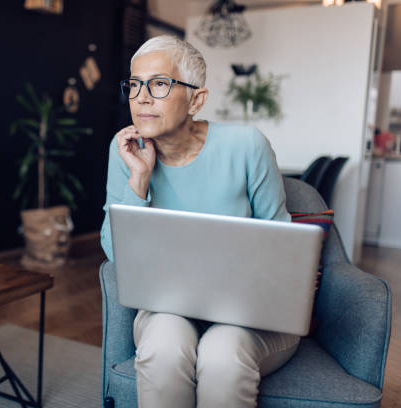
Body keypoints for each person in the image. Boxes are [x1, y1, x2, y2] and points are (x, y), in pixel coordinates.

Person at [100, 35, 300, 408]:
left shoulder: (246, 146)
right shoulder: (125, 150)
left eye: (159, 84)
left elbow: (285, 250)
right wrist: (138, 182)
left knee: (222, 355)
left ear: (196, 99)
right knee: (163, 347)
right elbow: (117, 254)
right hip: (167, 309)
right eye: (134, 85)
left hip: (253, 315)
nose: (142, 97)